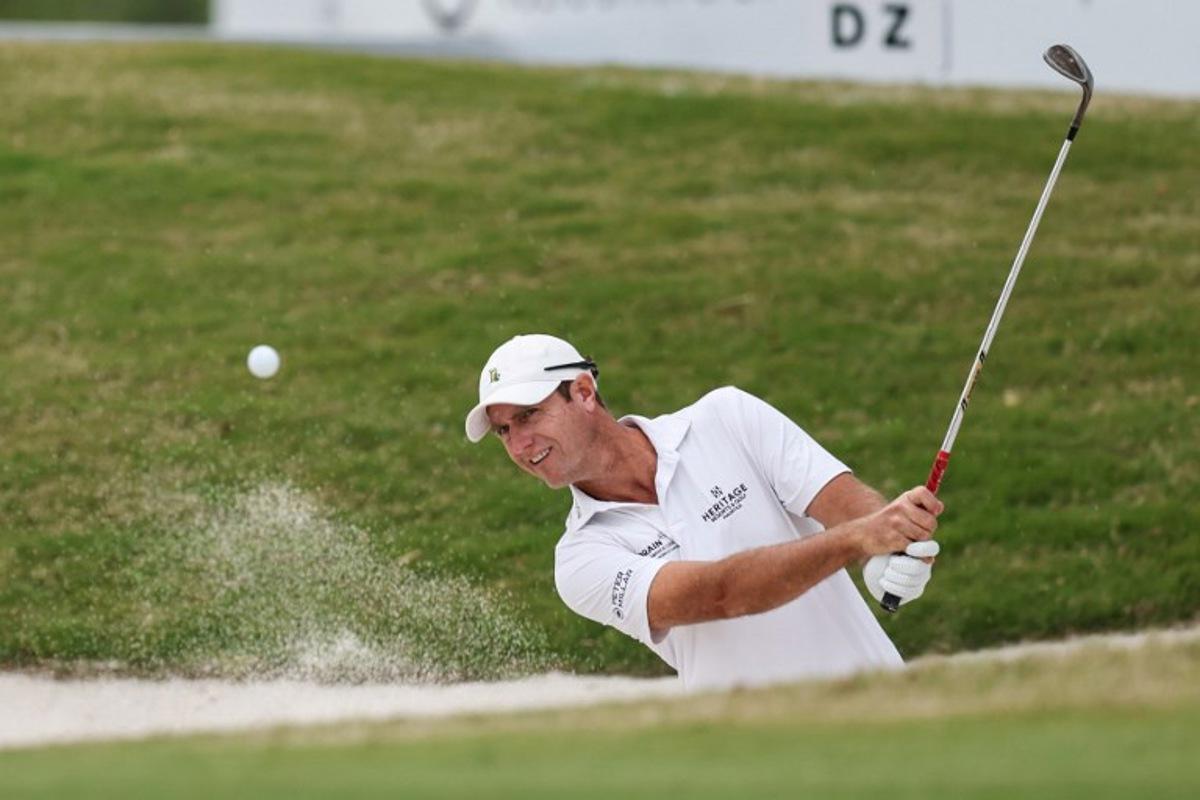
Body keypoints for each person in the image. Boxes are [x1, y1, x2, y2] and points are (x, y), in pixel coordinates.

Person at [465, 333, 941, 691]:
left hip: (885, 713)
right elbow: (722, 595)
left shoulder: (726, 418)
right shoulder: (580, 559)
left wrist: (889, 548)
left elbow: (847, 504)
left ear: (585, 392)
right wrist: (858, 540)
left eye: (528, 415)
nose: (519, 443)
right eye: (504, 431)